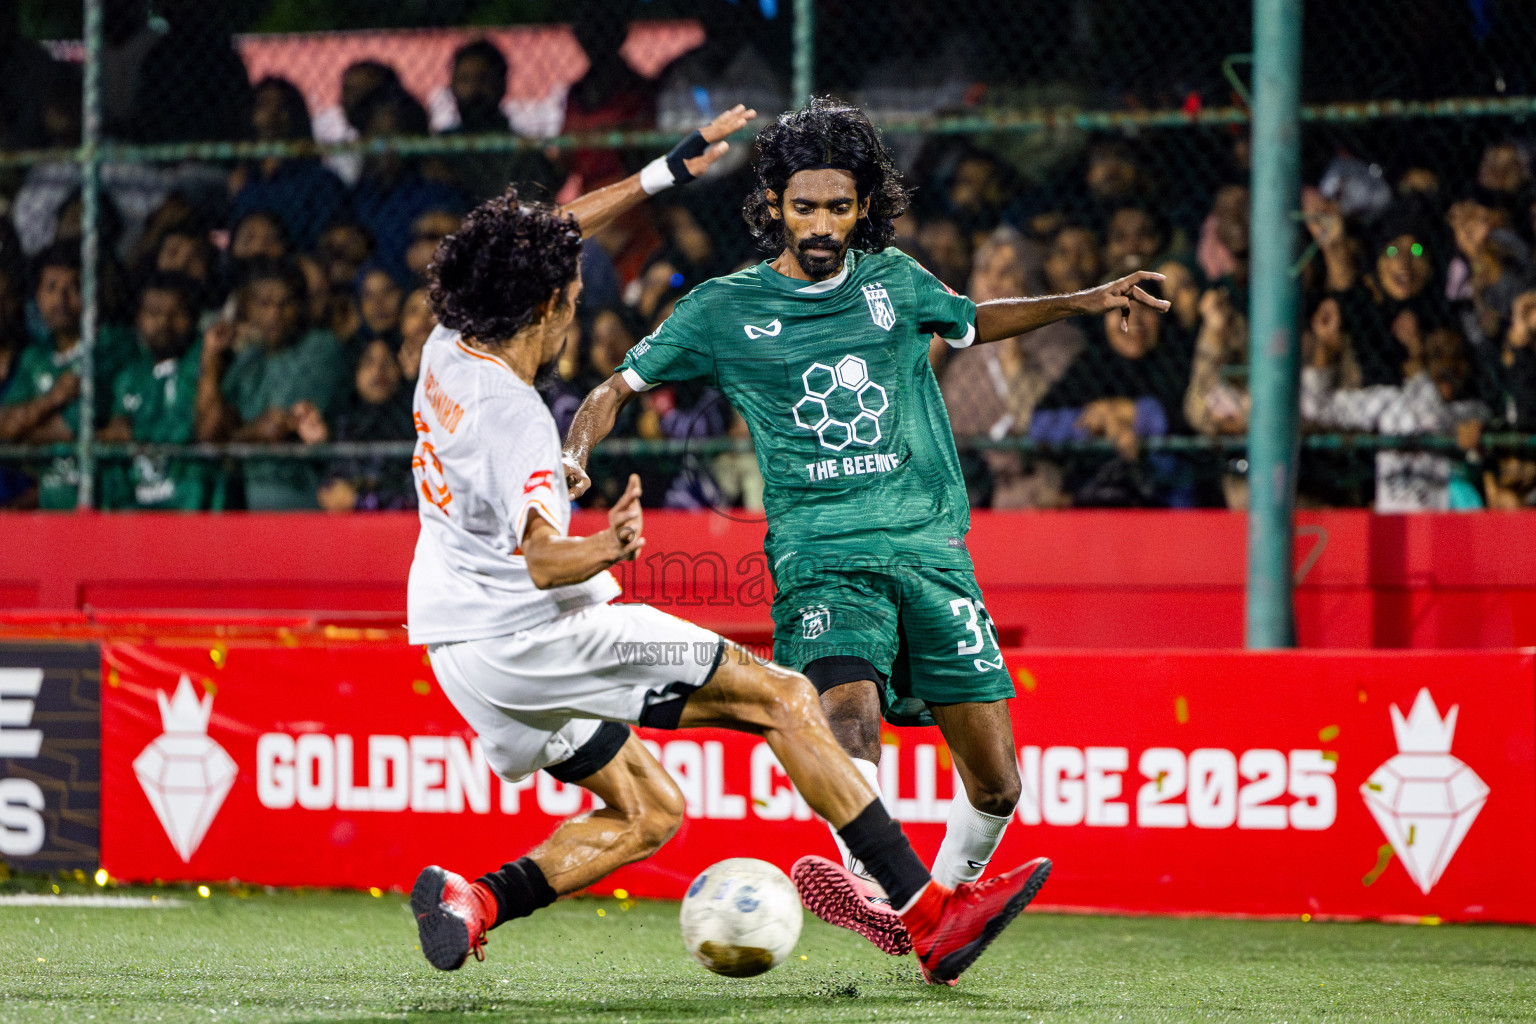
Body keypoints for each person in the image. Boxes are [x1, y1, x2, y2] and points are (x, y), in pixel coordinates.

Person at [408, 104, 1050, 988]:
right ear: (549, 303)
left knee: (651, 812)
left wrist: (661, 174)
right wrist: (609, 547)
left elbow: (545, 235)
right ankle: (927, 913)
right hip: (540, 632)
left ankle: (473, 901)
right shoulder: (518, 419)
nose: (576, 308)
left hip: (457, 653)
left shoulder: (446, 346)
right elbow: (544, 561)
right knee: (785, 698)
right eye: (574, 298)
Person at [563, 98, 1165, 953]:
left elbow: (971, 321)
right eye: (803, 206)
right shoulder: (723, 309)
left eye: (838, 207)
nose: (820, 224)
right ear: (773, 204)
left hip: (930, 551)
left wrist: (1086, 300)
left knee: (998, 786)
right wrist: (575, 455)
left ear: (863, 207)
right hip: (822, 554)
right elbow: (613, 389)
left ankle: (937, 922)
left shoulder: (895, 280)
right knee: (848, 713)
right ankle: (879, 886)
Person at [194, 259, 347, 509]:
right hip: (244, 497)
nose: (275, 314)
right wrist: (211, 357)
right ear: (246, 308)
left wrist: (227, 442)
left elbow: (276, 426)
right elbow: (208, 432)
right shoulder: (248, 358)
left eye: (286, 304)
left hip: (299, 492)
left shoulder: (321, 347)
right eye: (264, 304)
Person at [98, 273, 215, 509]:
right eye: (153, 312)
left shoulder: (203, 364)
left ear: (193, 318)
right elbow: (117, 435)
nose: (163, 322)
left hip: (191, 509)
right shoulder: (128, 378)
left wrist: (136, 432)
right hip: (136, 511)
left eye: (176, 313)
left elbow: (204, 431)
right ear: (138, 318)